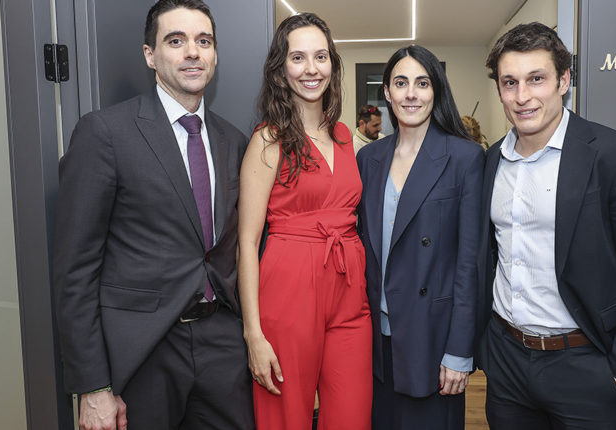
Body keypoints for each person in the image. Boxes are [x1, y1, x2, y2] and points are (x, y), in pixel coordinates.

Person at [53, 1, 255, 429]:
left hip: (222, 345)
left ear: (215, 54)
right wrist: (92, 386)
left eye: (204, 41)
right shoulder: (105, 133)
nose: (193, 52)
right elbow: (76, 269)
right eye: (176, 41)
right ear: (150, 54)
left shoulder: (235, 141)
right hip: (144, 352)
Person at [475, 22, 616, 429]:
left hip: (586, 364)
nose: (522, 96)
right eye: (510, 82)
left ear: (564, 80)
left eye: (536, 79)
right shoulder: (491, 160)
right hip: (507, 361)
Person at [238, 13, 372, 430]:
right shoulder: (268, 139)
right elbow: (247, 243)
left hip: (350, 291)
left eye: (320, 56)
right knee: (286, 419)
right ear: (281, 69)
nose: (311, 69)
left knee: (352, 417)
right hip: (289, 290)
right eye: (298, 58)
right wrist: (253, 334)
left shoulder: (345, 136)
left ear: (332, 64)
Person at [356, 45, 484, 430]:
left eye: (422, 83)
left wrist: (459, 350)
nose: (411, 93)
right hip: (376, 341)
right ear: (387, 92)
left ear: (436, 90)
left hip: (433, 338)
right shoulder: (368, 160)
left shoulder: (464, 158)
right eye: (401, 83)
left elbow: (470, 264)